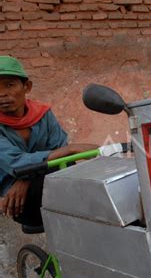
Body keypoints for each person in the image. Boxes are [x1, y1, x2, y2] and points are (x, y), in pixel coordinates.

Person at [0, 56, 97, 234]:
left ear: (26, 87)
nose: (2, 94)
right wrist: (69, 149)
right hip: (18, 202)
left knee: (72, 170)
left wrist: (24, 178)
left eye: (9, 85)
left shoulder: (42, 114)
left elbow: (60, 153)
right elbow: (16, 163)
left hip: (46, 187)